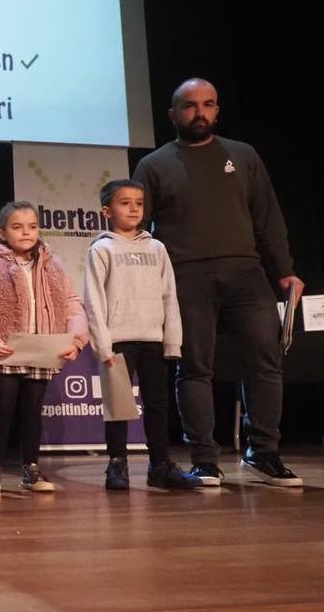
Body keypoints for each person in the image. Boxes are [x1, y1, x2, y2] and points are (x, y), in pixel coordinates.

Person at [133, 78, 304, 487]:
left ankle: (263, 452)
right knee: (194, 368)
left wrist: (283, 268)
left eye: (208, 105)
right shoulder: (153, 165)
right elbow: (138, 229)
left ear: (217, 110)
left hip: (246, 273)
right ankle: (205, 460)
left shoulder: (242, 156)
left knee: (266, 360)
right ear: (173, 114)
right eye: (190, 106)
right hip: (186, 276)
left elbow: (267, 217)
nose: (200, 113)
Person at [84, 180, 199, 490]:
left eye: (138, 202)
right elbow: (93, 299)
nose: (134, 208)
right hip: (118, 340)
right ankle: (117, 464)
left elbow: (168, 295)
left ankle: (160, 464)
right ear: (107, 211)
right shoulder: (102, 248)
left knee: (158, 404)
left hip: (153, 339)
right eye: (125, 203)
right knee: (119, 405)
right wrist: (103, 344)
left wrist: (172, 340)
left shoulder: (156, 248)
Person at [0, 201, 87, 493]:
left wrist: (76, 340)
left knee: (33, 408)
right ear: (2, 233)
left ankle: (31, 467)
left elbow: (72, 304)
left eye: (32, 227)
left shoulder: (53, 265)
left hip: (43, 351)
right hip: (7, 350)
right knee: (4, 406)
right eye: (17, 227)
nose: (26, 233)